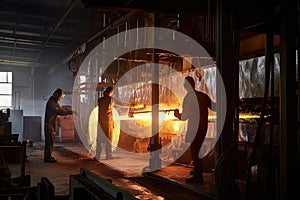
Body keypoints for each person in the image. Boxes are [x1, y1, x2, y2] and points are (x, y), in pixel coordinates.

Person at [174, 76, 216, 184]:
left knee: (195, 151)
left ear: (187, 86)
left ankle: (198, 177)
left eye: (184, 84)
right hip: (203, 128)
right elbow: (214, 107)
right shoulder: (202, 96)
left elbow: (184, 117)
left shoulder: (188, 98)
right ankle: (197, 170)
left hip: (194, 128)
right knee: (197, 150)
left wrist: (177, 114)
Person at [44, 88, 73, 163]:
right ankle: (47, 157)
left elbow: (61, 110)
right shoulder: (51, 102)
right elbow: (58, 111)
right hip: (49, 125)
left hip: (52, 124)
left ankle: (48, 156)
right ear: (56, 95)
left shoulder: (55, 102)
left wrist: (69, 112)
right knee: (49, 141)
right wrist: (70, 112)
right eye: (60, 97)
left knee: (51, 141)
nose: (61, 99)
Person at [96, 86, 114, 160]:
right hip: (108, 123)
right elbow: (120, 104)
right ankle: (108, 155)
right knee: (108, 140)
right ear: (110, 92)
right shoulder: (111, 99)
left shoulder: (99, 100)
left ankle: (97, 156)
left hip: (100, 123)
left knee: (99, 141)